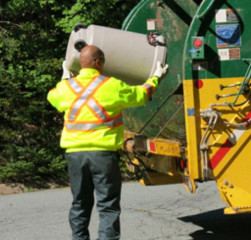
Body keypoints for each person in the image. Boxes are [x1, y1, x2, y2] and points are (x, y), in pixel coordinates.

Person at [47, 45, 168, 240]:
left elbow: (53, 97)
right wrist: (156, 77)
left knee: (80, 203)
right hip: (102, 155)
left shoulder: (67, 88)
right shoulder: (112, 85)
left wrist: (64, 79)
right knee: (108, 206)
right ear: (97, 62)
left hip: (75, 156)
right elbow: (141, 95)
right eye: (102, 61)